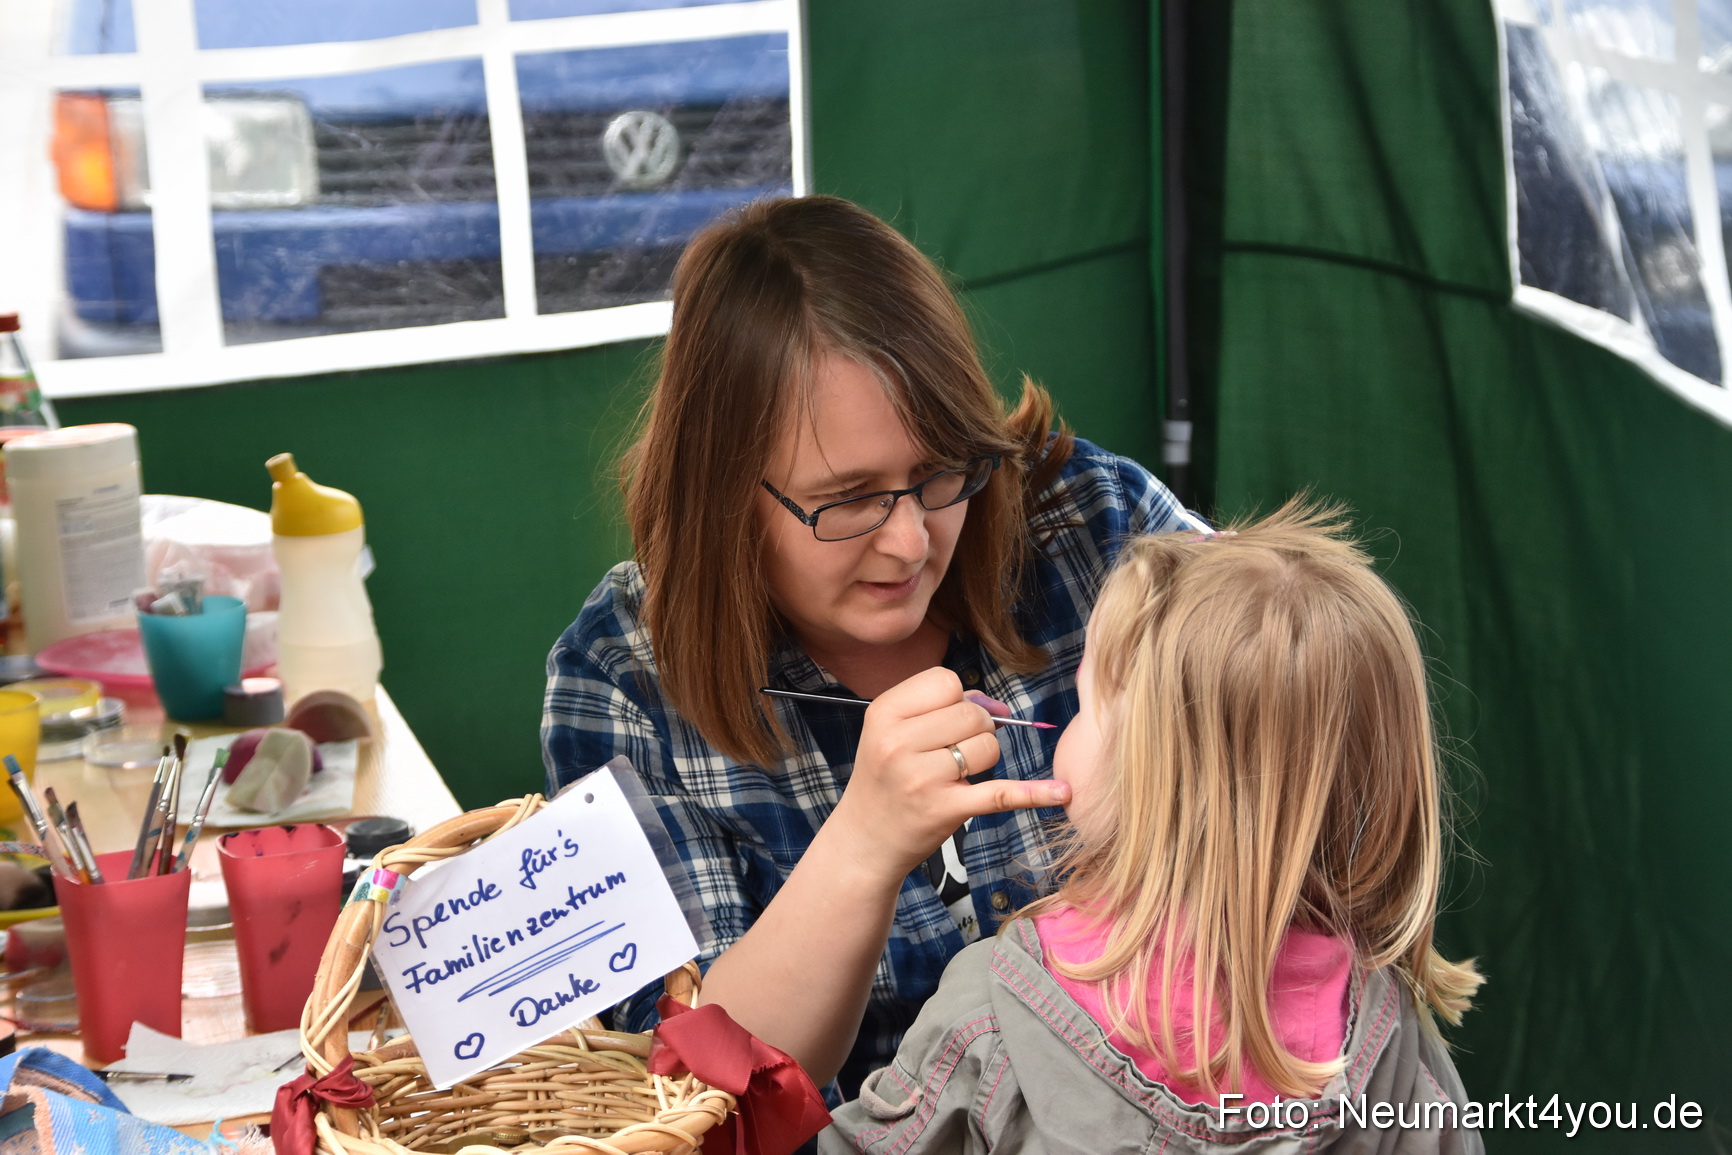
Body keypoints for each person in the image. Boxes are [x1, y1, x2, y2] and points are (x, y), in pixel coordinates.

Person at [541, 194, 1205, 1096]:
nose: (909, 542)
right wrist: (864, 844)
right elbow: (688, 1097)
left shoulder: (1094, 523)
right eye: (848, 497)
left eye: (938, 473)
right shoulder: (622, 678)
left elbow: (1306, 726)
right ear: (726, 490)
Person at [823, 505, 1486, 1154]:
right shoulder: (1394, 1039)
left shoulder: (993, 1004)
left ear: (1154, 784)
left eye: (1083, 705)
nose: (1064, 722)